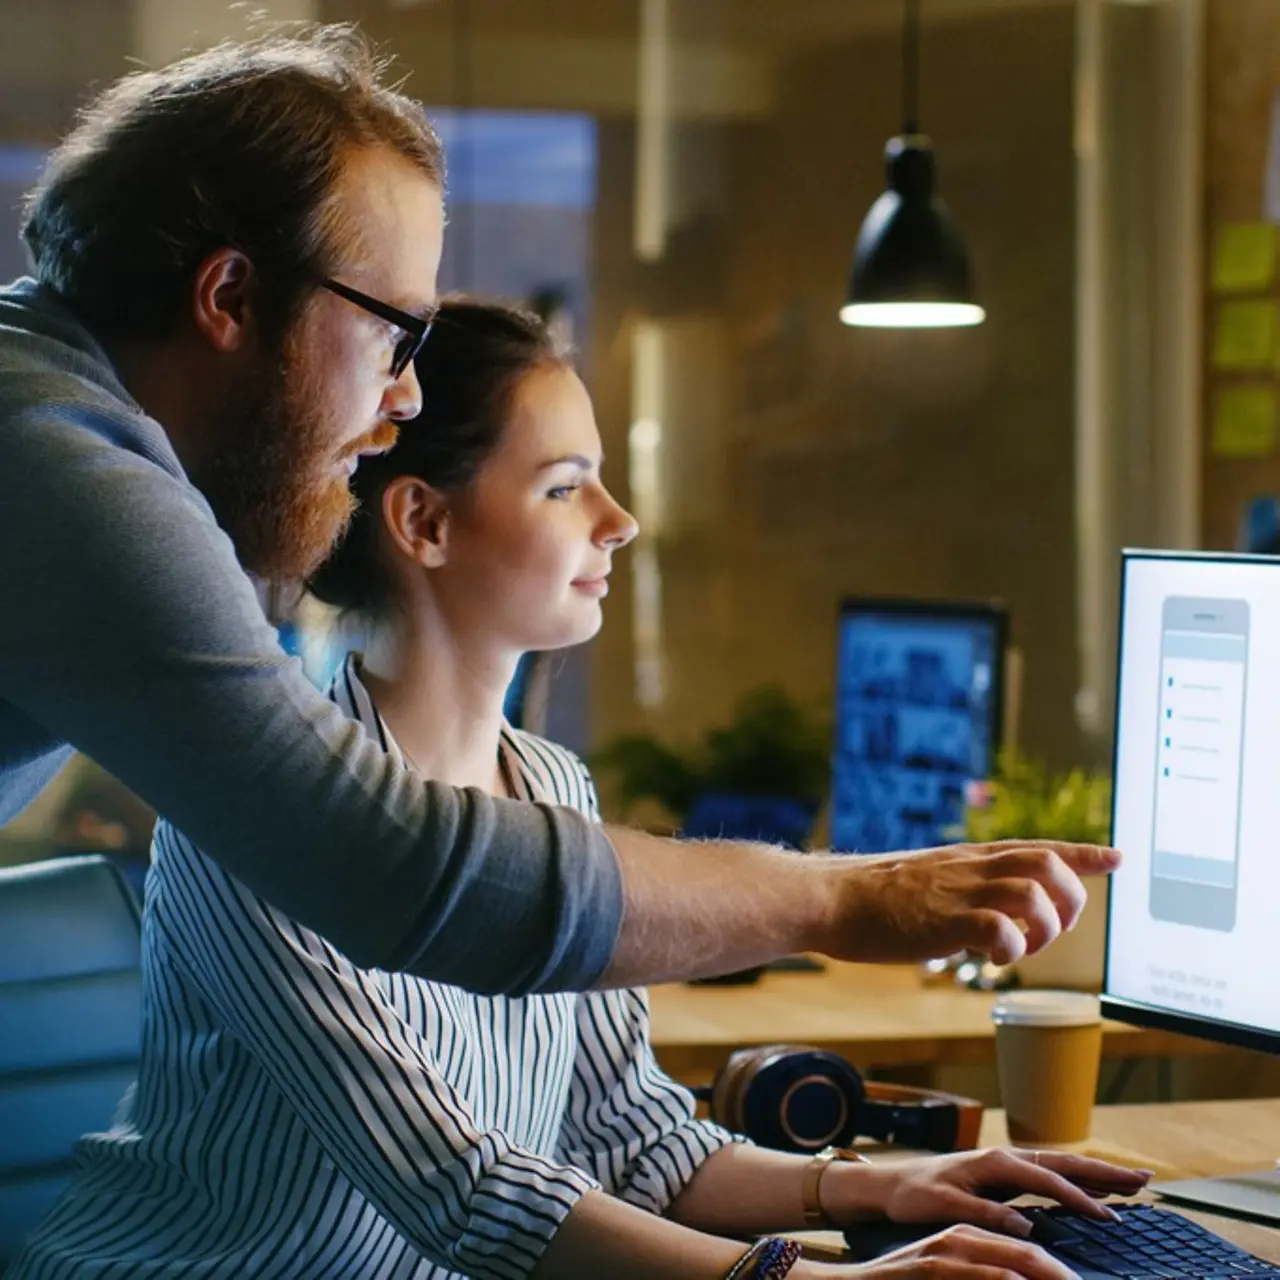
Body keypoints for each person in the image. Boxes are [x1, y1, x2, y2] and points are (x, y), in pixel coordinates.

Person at [10, 300, 1148, 1279]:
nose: (621, 521)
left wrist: (883, 1186)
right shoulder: (257, 821)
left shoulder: (553, 787)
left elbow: (631, 1141)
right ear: (423, 521)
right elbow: (461, 1187)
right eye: (565, 487)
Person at [0, 25, 1118, 1000]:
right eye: (397, 333)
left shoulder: (54, 422)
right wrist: (838, 898)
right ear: (232, 296)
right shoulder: (64, 469)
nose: (406, 397)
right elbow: (388, 864)